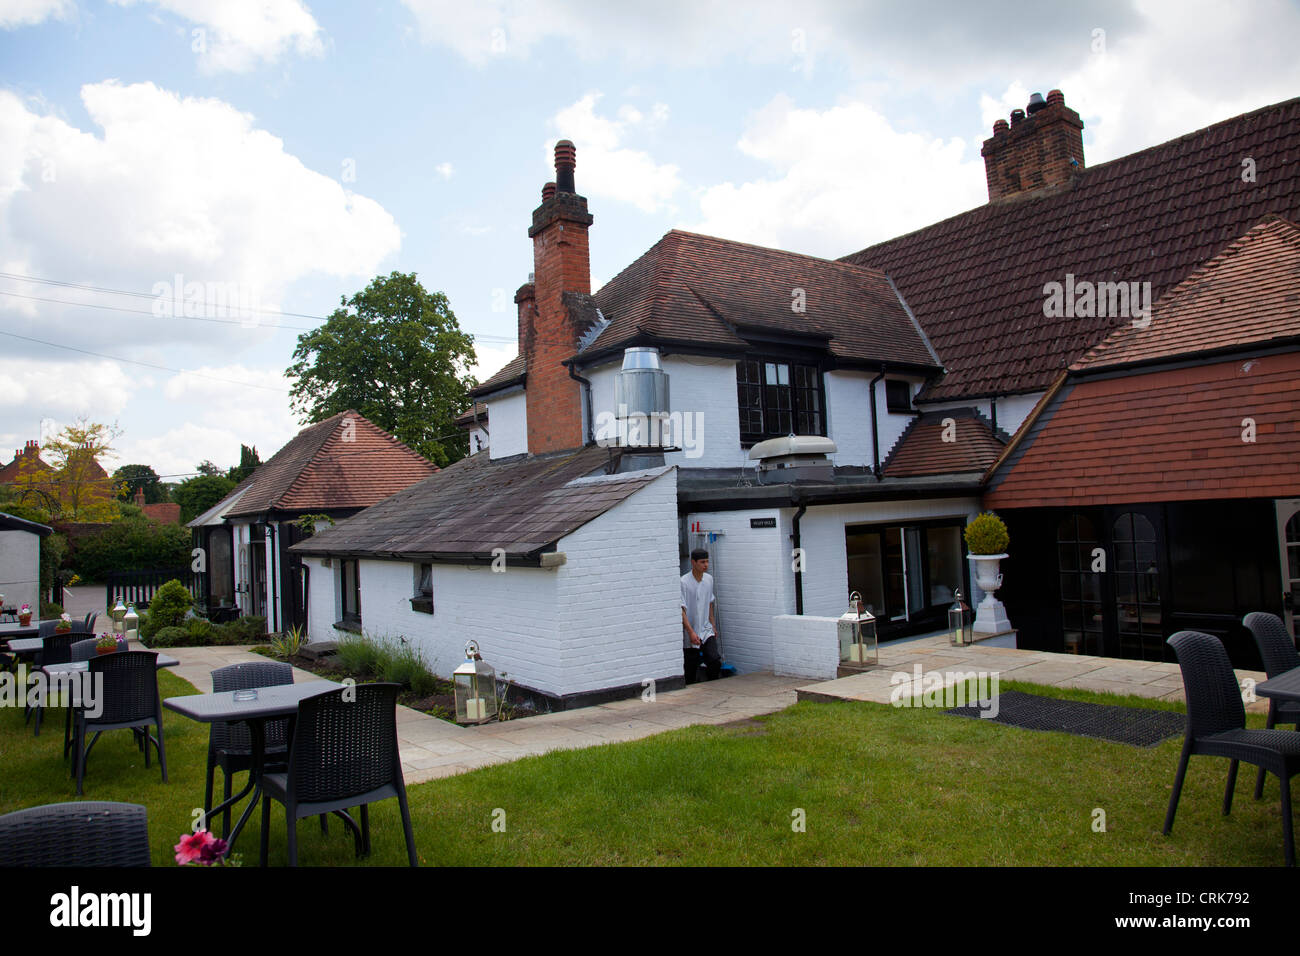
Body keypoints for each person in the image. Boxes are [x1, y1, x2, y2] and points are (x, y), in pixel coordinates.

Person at [681, 548, 721, 683]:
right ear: (693, 562)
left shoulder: (709, 579)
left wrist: (713, 625)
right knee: (691, 666)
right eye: (702, 562)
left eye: (707, 562)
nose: (706, 565)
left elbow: (709, 602)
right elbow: (682, 609)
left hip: (706, 628)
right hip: (691, 629)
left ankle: (713, 684)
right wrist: (690, 632)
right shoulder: (684, 582)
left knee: (714, 659)